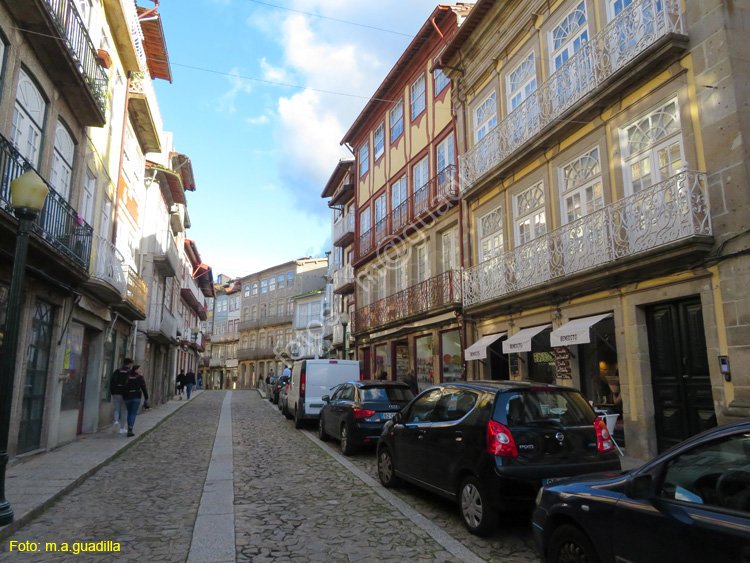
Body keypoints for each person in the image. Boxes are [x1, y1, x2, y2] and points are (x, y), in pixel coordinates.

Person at [122, 365, 149, 437]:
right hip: (136, 397)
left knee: (129, 413)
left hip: (127, 397)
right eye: (140, 369)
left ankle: (128, 428)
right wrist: (146, 398)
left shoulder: (127, 377)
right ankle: (130, 429)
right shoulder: (140, 378)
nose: (141, 370)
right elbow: (144, 388)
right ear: (136, 370)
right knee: (132, 413)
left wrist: (124, 396)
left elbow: (123, 387)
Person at [110, 358, 132, 434]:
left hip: (116, 392)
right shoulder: (130, 372)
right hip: (126, 394)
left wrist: (112, 391)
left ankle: (116, 420)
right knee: (124, 410)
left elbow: (112, 381)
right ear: (130, 364)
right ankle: (122, 428)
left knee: (116, 408)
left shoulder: (117, 371)